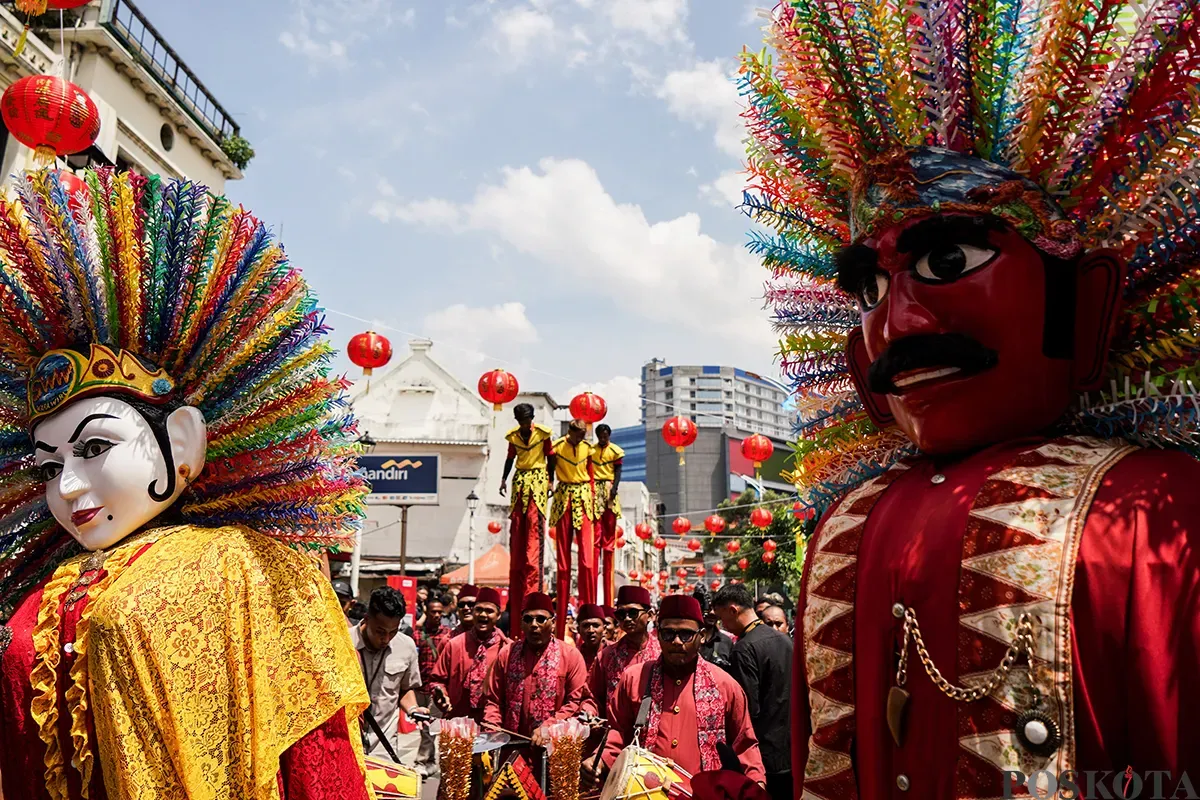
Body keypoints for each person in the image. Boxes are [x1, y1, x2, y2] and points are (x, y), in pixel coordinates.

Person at [740, 5, 1200, 795]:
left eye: (950, 259)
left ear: (1085, 306)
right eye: (871, 288)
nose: (897, 323)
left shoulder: (1159, 509)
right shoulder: (845, 525)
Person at [0, 170, 375, 798]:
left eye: (95, 448)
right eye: (48, 465)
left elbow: (319, 759)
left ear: (182, 441)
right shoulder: (54, 587)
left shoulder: (256, 567)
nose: (66, 486)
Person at [587, 595, 765, 788]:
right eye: (668, 634)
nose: (677, 642)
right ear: (658, 634)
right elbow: (618, 733)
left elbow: (745, 745)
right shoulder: (634, 679)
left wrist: (757, 785)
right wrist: (599, 761)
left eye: (686, 634)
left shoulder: (725, 685)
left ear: (702, 635)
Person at [712, 584, 792, 800]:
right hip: (792, 748)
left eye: (723, 619)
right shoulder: (785, 640)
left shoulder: (744, 648)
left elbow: (748, 708)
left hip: (764, 753)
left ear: (732, 610)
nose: (724, 626)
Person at [484, 592, 594, 739]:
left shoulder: (570, 656)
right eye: (528, 619)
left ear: (553, 623)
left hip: (554, 747)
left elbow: (575, 702)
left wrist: (549, 727)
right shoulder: (507, 654)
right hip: (511, 745)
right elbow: (494, 700)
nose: (534, 625)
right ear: (521, 623)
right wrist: (492, 731)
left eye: (541, 619)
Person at [350, 587, 426, 759]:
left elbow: (405, 688)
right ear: (367, 619)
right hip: (347, 746)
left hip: (384, 748)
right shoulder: (344, 643)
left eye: (393, 632)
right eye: (380, 632)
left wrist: (413, 709)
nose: (386, 639)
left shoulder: (406, 646)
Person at [499, 403, 554, 628]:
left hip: (539, 480)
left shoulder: (542, 434)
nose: (524, 424)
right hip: (520, 481)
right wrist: (503, 479)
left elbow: (551, 457)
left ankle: (533, 595)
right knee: (519, 534)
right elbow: (510, 459)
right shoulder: (512, 437)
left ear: (531, 419)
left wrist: (551, 480)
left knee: (534, 535)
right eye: (521, 420)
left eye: (527, 420)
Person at [426, 587, 509, 721]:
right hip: (459, 722)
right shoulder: (454, 644)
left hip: (495, 724)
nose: (483, 615)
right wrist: (440, 693)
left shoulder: (507, 648)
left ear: (498, 615)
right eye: (479, 610)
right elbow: (437, 680)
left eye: (489, 611)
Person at [549, 419, 597, 637]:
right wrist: (549, 484)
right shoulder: (557, 447)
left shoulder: (589, 449)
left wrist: (595, 502)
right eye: (579, 435)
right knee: (563, 563)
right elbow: (550, 470)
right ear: (570, 432)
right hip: (564, 496)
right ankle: (560, 624)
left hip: (584, 498)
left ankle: (590, 614)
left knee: (587, 560)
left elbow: (593, 477)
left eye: (584, 435)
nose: (581, 439)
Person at [587, 585, 660, 722]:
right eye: (621, 614)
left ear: (650, 615)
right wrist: (590, 711)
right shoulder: (607, 656)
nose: (627, 619)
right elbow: (592, 696)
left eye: (633, 613)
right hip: (617, 735)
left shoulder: (663, 652)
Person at [414, 593, 450, 778]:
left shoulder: (448, 635)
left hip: (437, 690)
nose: (436, 615)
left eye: (439, 612)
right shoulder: (417, 635)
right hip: (420, 687)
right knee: (424, 727)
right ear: (426, 612)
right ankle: (431, 761)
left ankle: (423, 761)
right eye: (433, 612)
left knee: (428, 727)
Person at [589, 424, 624, 606]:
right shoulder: (590, 450)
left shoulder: (616, 451)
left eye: (605, 435)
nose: (603, 438)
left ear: (609, 435)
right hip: (595, 491)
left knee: (609, 535)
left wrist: (615, 488)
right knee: (595, 534)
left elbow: (618, 471)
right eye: (600, 435)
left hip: (609, 489)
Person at [575, 603, 608, 672]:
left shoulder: (615, 653)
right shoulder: (574, 656)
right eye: (586, 626)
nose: (591, 630)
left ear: (604, 629)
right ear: (578, 630)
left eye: (595, 625)